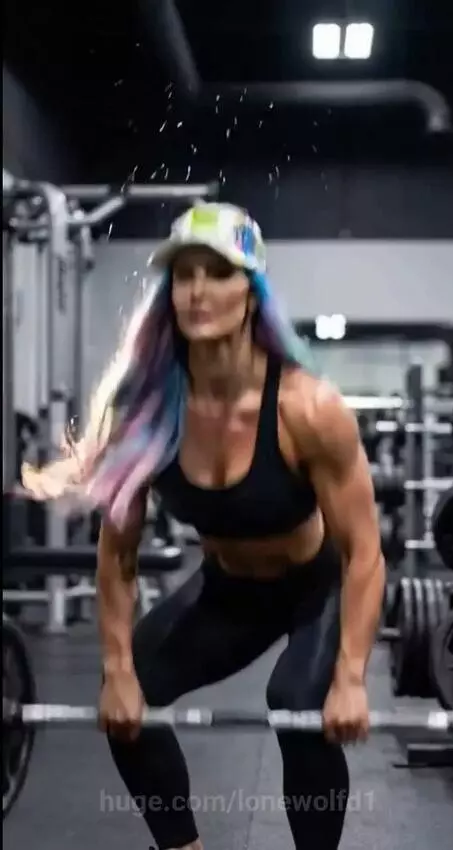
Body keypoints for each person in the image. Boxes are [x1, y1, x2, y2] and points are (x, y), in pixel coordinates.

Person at [22, 202, 385, 850]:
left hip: (314, 586)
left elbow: (363, 554)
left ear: (251, 292)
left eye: (217, 273)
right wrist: (116, 669)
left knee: (299, 705)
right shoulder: (149, 410)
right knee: (128, 702)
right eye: (183, 274)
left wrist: (352, 678)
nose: (196, 290)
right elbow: (119, 555)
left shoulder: (308, 408)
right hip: (227, 591)